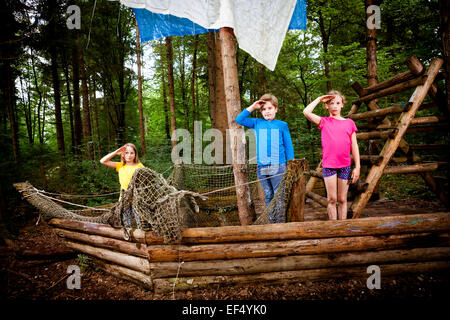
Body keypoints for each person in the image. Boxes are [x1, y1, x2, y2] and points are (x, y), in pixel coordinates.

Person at [235, 93, 294, 222]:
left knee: (278, 195)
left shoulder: (282, 125)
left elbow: (288, 145)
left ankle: (280, 223)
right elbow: (239, 119)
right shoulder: (256, 123)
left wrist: (291, 163)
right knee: (268, 195)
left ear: (276, 109)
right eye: (264, 109)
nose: (267, 112)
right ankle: (272, 222)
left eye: (270, 108)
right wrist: (253, 106)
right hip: (262, 166)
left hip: (278, 165)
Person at [303, 90, 360, 220]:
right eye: (331, 103)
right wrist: (319, 98)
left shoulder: (349, 123)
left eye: (337, 103)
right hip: (329, 165)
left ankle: (343, 227)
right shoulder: (324, 121)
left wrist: (358, 167)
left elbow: (354, 146)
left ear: (342, 105)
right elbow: (306, 112)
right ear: (326, 106)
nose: (334, 106)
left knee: (342, 199)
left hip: (345, 165)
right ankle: (333, 226)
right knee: (332, 199)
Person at [100, 143, 145, 228]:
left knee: (140, 222)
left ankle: (141, 239)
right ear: (123, 154)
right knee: (127, 223)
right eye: (126, 153)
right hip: (124, 199)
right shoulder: (120, 165)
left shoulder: (140, 166)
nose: (129, 155)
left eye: (132, 153)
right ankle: (130, 240)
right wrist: (116, 152)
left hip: (137, 198)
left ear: (135, 155)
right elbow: (103, 161)